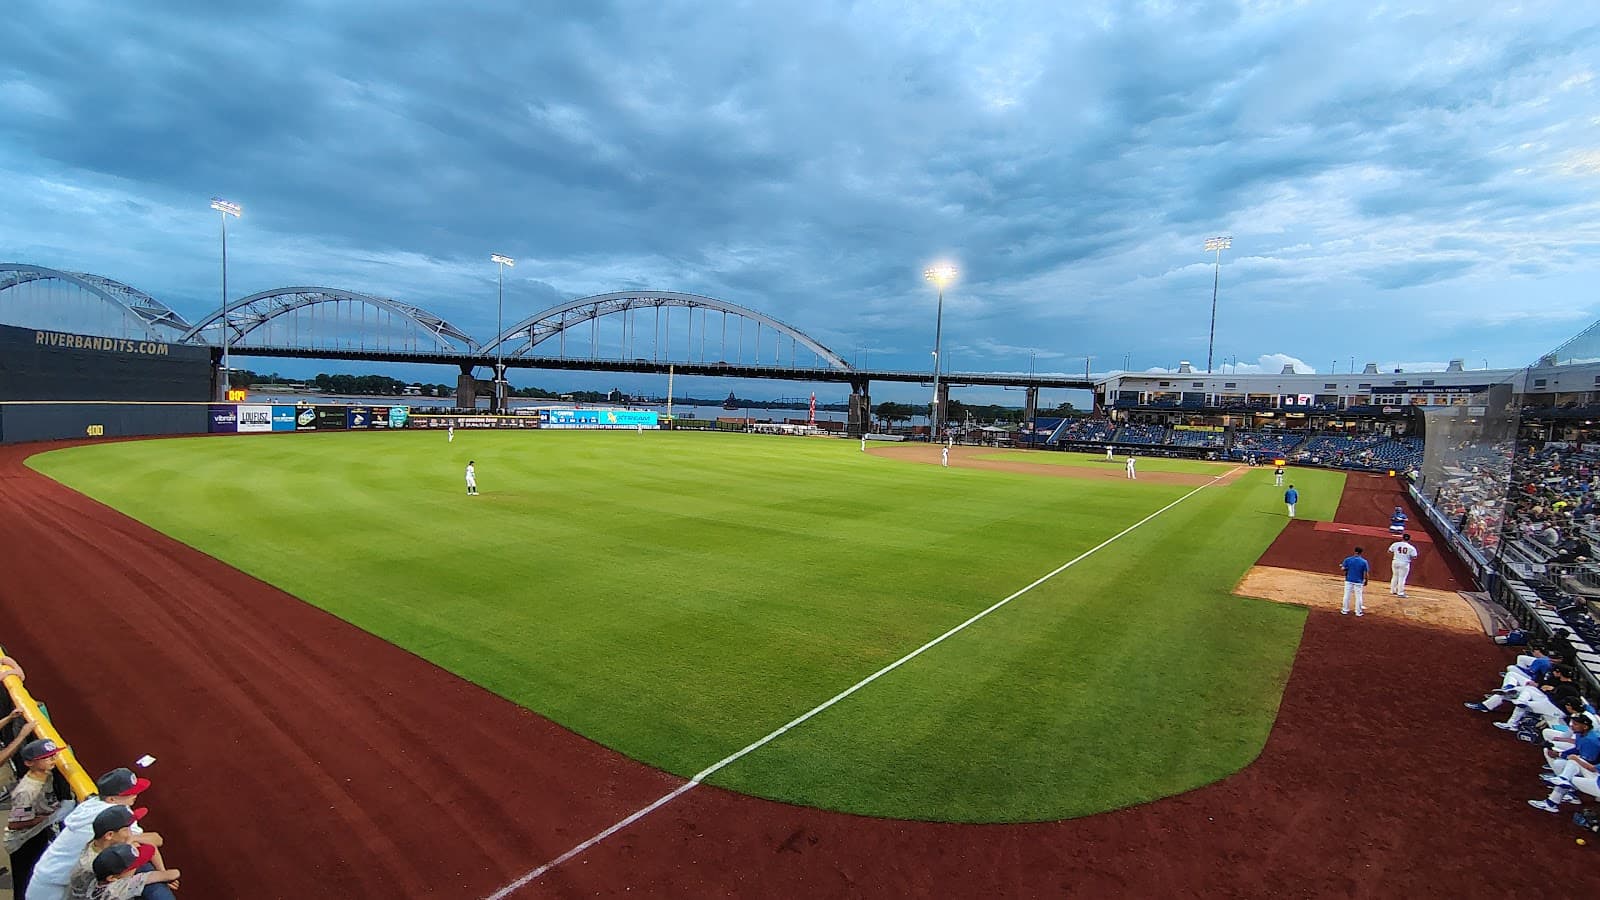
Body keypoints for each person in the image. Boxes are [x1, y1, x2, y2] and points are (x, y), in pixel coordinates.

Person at [28, 767, 155, 900]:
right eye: (129, 793)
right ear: (111, 799)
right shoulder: (113, 815)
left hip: (47, 876)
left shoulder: (92, 804)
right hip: (59, 884)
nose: (135, 795)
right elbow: (150, 841)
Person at [66, 806, 175, 900]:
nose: (130, 832)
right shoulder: (91, 868)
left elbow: (156, 840)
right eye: (126, 829)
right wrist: (161, 876)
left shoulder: (108, 841)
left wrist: (162, 872)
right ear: (109, 835)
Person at [7, 739, 70, 896]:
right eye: (46, 757)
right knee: (25, 882)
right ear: (29, 763)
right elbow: (15, 824)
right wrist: (49, 818)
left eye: (53, 755)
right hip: (22, 842)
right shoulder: (26, 791)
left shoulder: (46, 773)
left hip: (37, 833)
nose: (52, 759)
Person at [87, 842, 180, 900]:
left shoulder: (93, 881)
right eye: (132, 867)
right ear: (112, 878)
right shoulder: (121, 887)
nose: (136, 867)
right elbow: (173, 874)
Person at [1339, 547, 1369, 616]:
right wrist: (1366, 580)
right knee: (1358, 596)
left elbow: (1343, 568)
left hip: (1349, 580)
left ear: (1355, 551)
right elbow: (1366, 573)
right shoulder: (1364, 561)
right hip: (1358, 581)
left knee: (1346, 595)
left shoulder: (1348, 559)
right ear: (1361, 553)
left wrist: (1347, 568)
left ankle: (1345, 610)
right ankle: (1358, 612)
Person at [1387, 532, 1419, 597]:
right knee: (1402, 578)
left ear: (1402, 538)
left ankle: (1393, 590)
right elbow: (1414, 556)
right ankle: (1400, 592)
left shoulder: (1395, 544)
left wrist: (1397, 555)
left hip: (1395, 561)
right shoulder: (1411, 547)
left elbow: (1389, 551)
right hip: (1404, 563)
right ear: (1409, 539)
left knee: (1395, 576)